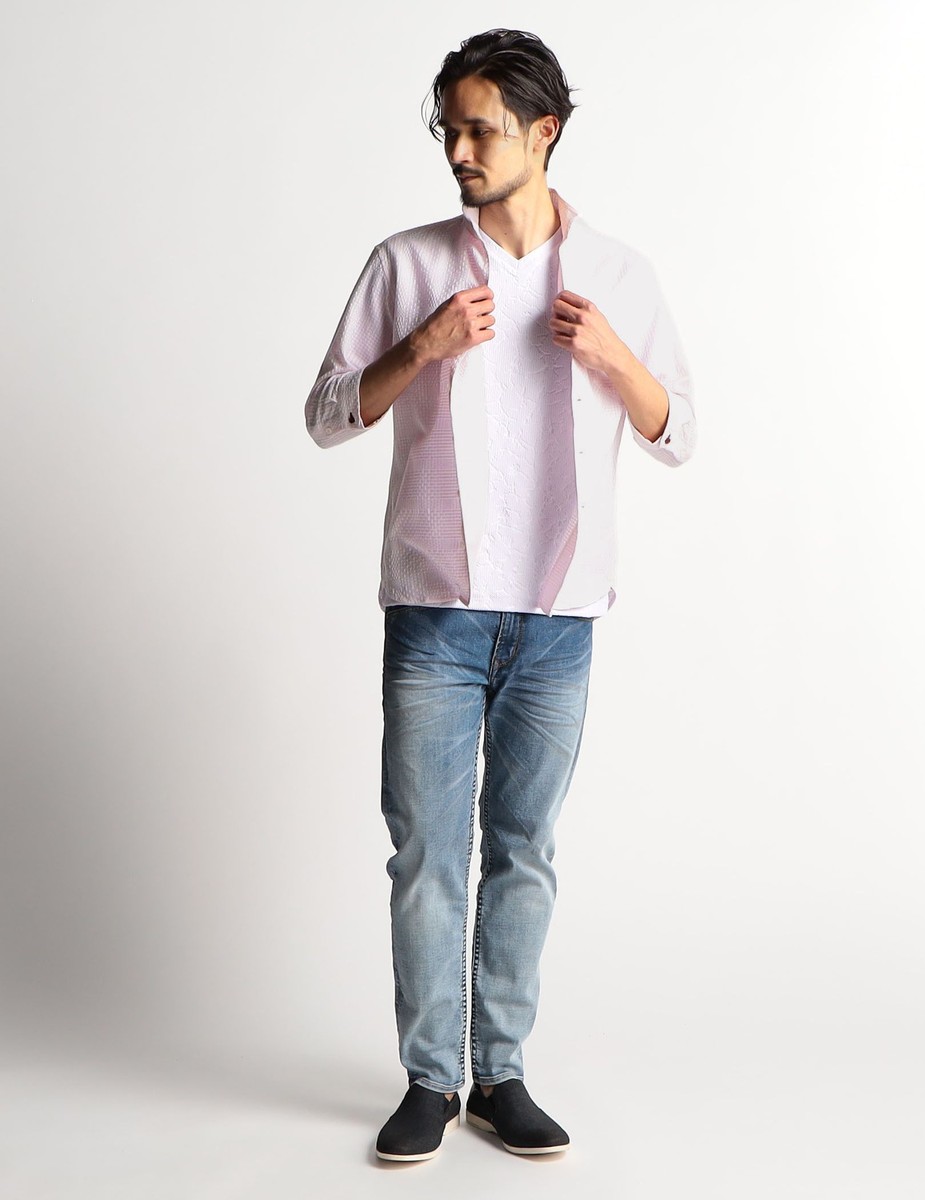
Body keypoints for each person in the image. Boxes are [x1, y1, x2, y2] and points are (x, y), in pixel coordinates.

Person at [304, 28, 696, 1163]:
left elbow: (680, 432)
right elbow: (325, 414)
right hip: (436, 610)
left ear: (543, 133)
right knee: (427, 852)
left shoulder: (620, 275)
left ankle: (500, 1074)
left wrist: (618, 362)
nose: (459, 151)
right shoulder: (406, 265)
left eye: (481, 130)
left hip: (559, 617)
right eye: (451, 130)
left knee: (524, 851)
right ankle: (431, 1080)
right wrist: (420, 348)